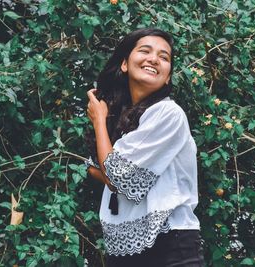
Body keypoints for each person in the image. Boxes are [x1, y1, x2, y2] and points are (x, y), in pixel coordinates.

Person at [85, 28, 204, 267]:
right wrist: (113, 173)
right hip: (122, 246)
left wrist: (98, 121)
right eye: (145, 51)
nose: (154, 59)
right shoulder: (119, 117)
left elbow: (116, 177)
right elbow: (97, 169)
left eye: (164, 57)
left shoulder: (168, 113)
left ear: (168, 76)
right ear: (125, 64)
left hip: (171, 246)